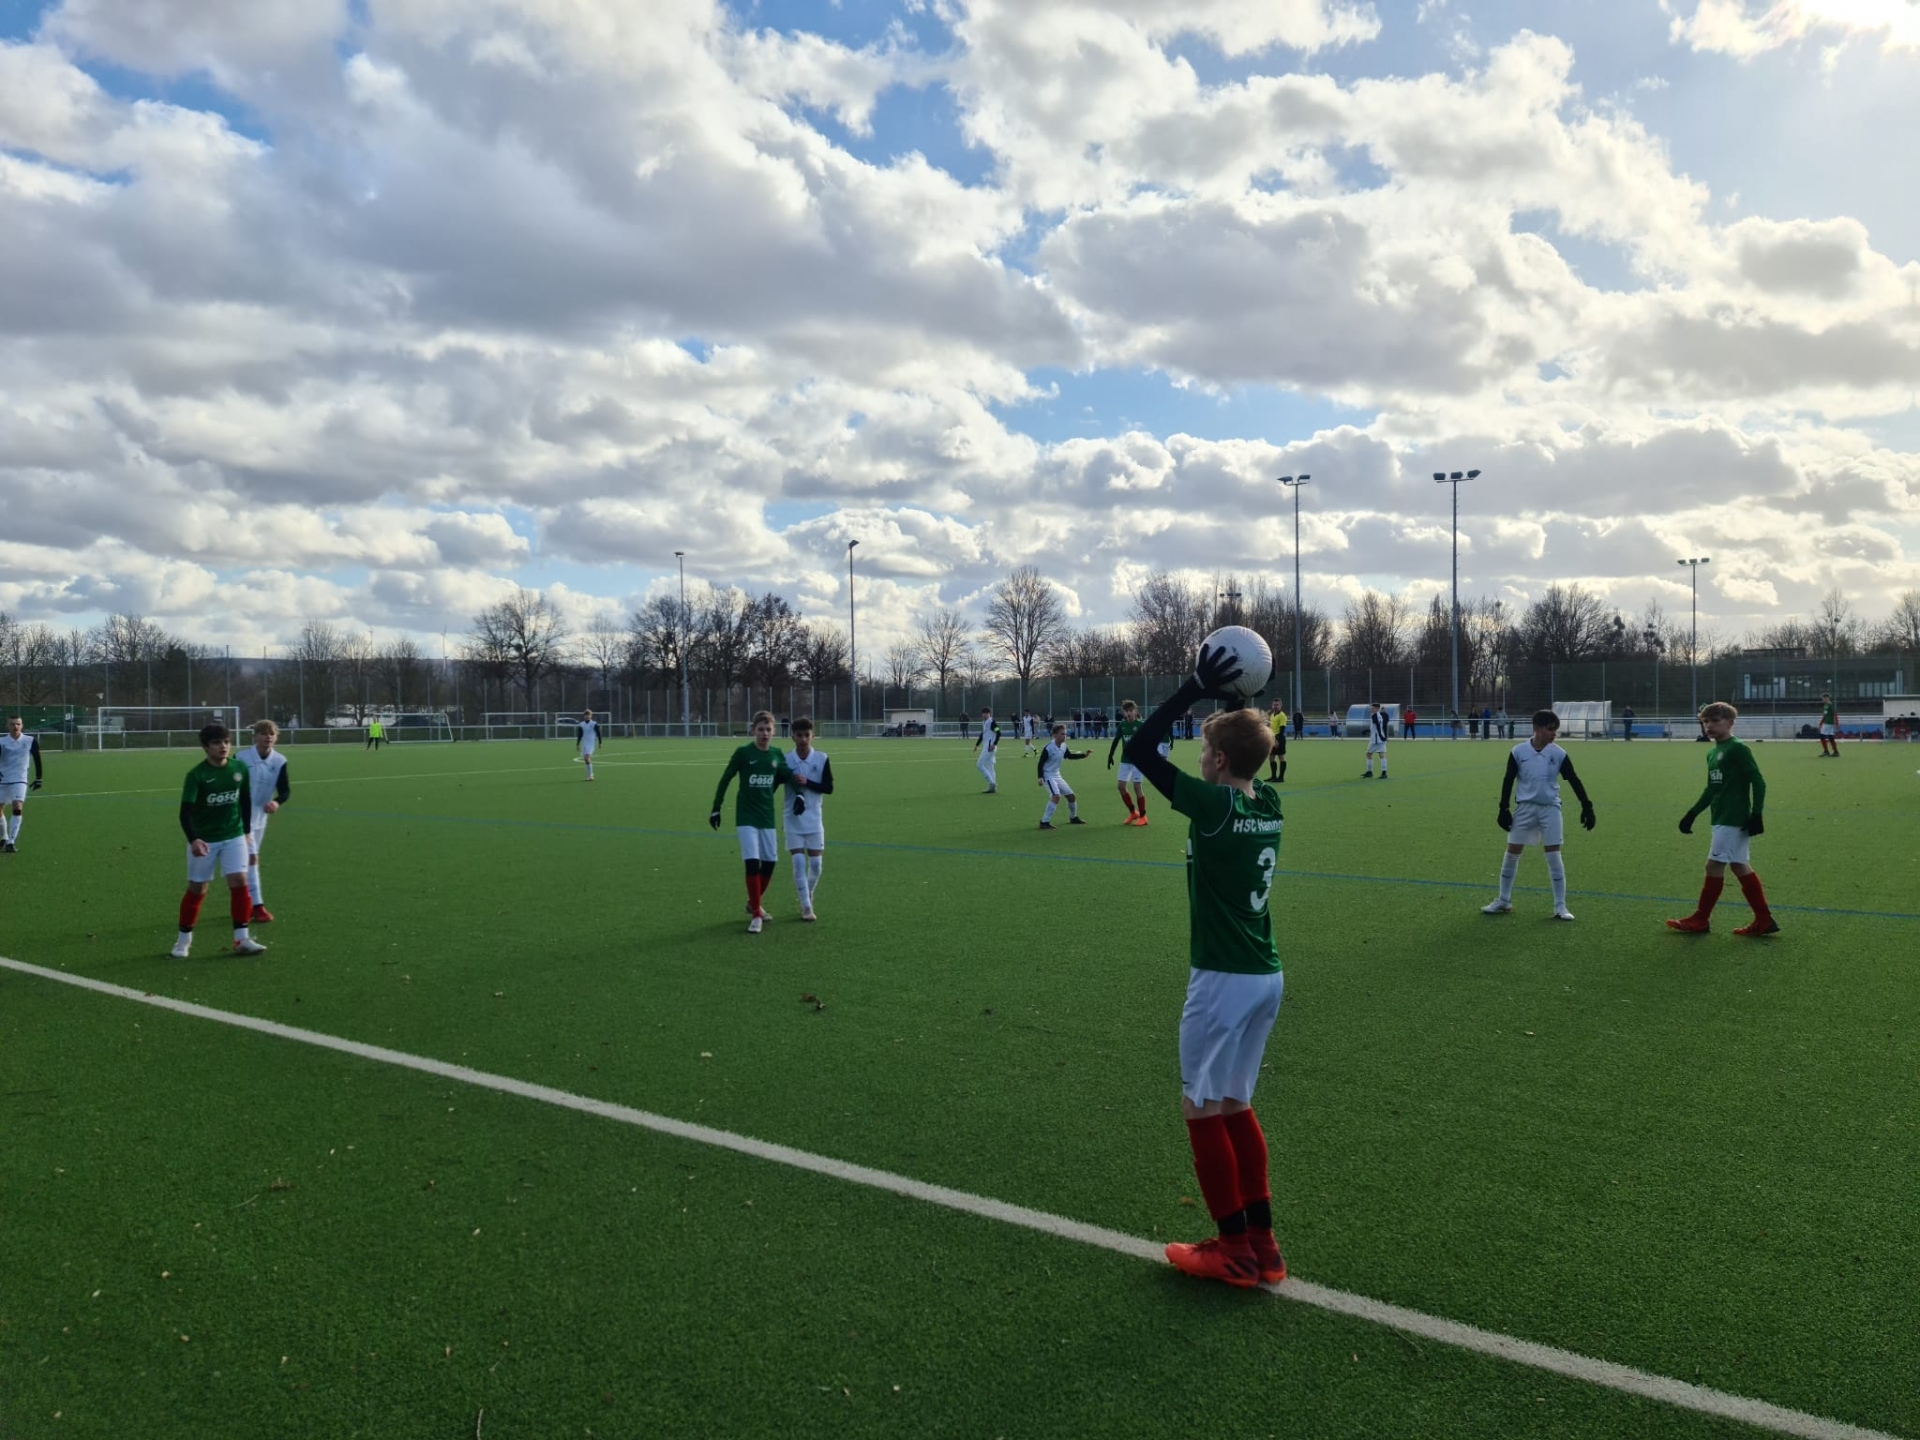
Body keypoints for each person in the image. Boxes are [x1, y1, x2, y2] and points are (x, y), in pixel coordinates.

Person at [1122, 644, 1286, 1289]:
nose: (1198, 759)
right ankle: (1262, 1245)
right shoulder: (1267, 804)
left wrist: (1194, 688)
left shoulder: (1214, 808)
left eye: (1204, 752)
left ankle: (1232, 1249)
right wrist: (1239, 708)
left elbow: (1140, 748)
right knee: (1235, 1102)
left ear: (1218, 761)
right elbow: (1249, 753)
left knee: (1200, 1108)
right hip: (1265, 974)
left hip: (1222, 977)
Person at [1667, 702, 1778, 937]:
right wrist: (1692, 813)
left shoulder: (1738, 748)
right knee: (1739, 864)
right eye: (1705, 721)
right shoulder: (1712, 753)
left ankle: (1701, 919)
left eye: (1715, 721)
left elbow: (1758, 782)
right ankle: (1764, 919)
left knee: (1714, 865)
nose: (1709, 725)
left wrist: (1757, 813)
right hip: (1720, 816)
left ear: (1730, 722)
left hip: (1732, 817)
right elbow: (1712, 789)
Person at [1481, 710, 1594, 922]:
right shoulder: (1518, 751)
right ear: (1536, 728)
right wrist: (1503, 808)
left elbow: (1573, 779)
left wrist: (1586, 805)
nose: (1554, 734)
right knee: (1512, 852)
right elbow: (1508, 779)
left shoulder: (1559, 753)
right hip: (1524, 807)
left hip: (1550, 808)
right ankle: (1504, 900)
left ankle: (1560, 906)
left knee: (1553, 854)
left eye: (1555, 730)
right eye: (1550, 729)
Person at [171, 722, 266, 958]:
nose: (223, 746)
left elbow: (244, 801)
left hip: (233, 835)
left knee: (239, 881)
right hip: (205, 840)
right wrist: (193, 839)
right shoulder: (197, 775)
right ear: (206, 747)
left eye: (226, 741)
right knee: (197, 888)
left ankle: (242, 939)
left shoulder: (239, 768)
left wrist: (246, 831)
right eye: (216, 743)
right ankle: (183, 941)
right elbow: (185, 813)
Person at [709, 711, 806, 934]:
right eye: (761, 729)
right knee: (752, 862)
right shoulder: (743, 753)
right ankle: (756, 915)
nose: (764, 733)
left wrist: (799, 794)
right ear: (753, 730)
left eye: (768, 729)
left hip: (767, 816)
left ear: (774, 732)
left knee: (770, 862)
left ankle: (753, 903)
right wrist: (716, 807)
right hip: (746, 816)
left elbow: (788, 775)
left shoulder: (776, 754)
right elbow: (726, 778)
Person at [239, 720, 291, 924]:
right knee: (251, 859)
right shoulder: (241, 758)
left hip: (260, 819)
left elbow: (285, 791)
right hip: (240, 818)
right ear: (255, 737)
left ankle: (244, 902)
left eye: (271, 734)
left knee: (246, 862)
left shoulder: (279, 760)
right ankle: (257, 906)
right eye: (263, 733)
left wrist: (276, 802)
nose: (267, 737)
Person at [783, 717, 833, 922]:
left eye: (807, 735)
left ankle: (808, 892)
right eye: (799, 735)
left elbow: (828, 788)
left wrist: (808, 782)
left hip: (814, 818)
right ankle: (805, 906)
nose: (803, 739)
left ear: (813, 736)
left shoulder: (822, 758)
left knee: (816, 865)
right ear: (792, 737)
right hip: (792, 818)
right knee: (797, 861)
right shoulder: (786, 760)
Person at [1, 715, 45, 853]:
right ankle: (4, 836)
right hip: (2, 779)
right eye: (12, 724)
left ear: (22, 725)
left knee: (17, 807)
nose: (15, 726)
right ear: (7, 726)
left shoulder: (30, 740)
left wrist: (39, 778)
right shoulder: (2, 741)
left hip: (20, 779)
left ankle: (11, 842)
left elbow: (37, 759)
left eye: (18, 724)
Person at [1108, 700, 1156, 824]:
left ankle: (1143, 817)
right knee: (1121, 786)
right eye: (1126, 711)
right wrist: (1110, 755)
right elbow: (1116, 740)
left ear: (1135, 711)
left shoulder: (1140, 725)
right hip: (1125, 760)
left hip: (1138, 761)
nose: (1128, 713)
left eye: (1131, 710)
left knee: (1137, 786)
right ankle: (1133, 812)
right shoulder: (1122, 725)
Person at [1037, 722, 1090, 828]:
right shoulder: (1049, 748)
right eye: (1062, 734)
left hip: (1057, 775)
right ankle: (1044, 822)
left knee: (1071, 796)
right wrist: (1040, 777)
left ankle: (1073, 817)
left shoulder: (1064, 746)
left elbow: (1069, 756)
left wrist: (1084, 755)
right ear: (1054, 735)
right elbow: (1040, 763)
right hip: (1048, 775)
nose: (1064, 736)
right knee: (1056, 796)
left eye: (1065, 734)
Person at [973, 707, 1000, 793]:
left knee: (979, 764)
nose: (984, 715)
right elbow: (983, 734)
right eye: (983, 713)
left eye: (986, 713)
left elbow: (999, 732)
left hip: (989, 748)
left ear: (989, 714)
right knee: (990, 767)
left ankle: (992, 783)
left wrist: (994, 744)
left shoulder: (992, 722)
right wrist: (977, 745)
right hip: (987, 747)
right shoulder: (985, 723)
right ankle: (993, 787)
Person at [1362, 701, 1389, 779]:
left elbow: (1377, 727)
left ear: (1377, 708)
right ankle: (1383, 773)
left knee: (1369, 754)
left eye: (1373, 708)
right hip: (1378, 737)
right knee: (1381, 754)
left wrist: (1381, 736)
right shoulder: (1379, 715)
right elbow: (1377, 726)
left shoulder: (1374, 715)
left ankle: (1370, 772)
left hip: (1376, 738)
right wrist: (1367, 731)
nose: (1371, 709)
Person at [575, 708, 601, 780]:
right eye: (586, 715)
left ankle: (590, 776)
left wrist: (600, 742)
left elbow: (598, 733)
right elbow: (580, 735)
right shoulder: (582, 724)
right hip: (584, 743)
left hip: (591, 744)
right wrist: (577, 744)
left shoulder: (594, 724)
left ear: (591, 715)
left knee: (587, 758)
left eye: (588, 715)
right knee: (586, 760)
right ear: (584, 716)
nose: (587, 716)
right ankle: (590, 774)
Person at [1266, 702, 1288, 783]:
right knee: (1271, 758)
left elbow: (1282, 730)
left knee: (1281, 757)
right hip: (1272, 738)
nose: (1275, 706)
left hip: (1279, 738)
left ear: (1281, 706)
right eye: (1274, 705)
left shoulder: (1282, 715)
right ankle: (1273, 776)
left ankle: (1281, 777)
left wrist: (1277, 740)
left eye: (1277, 705)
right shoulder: (1272, 715)